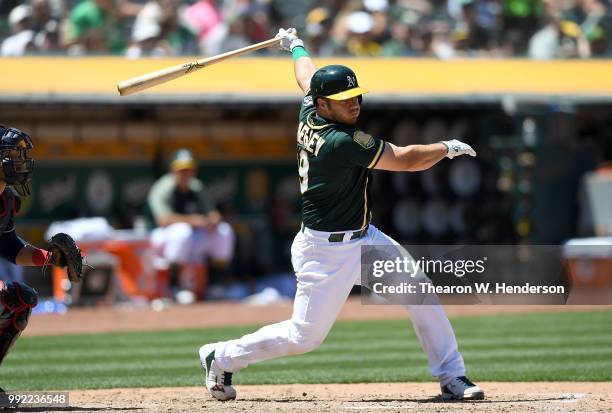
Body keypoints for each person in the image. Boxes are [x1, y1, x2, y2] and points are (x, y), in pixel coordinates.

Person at [198, 28, 484, 402]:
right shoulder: (340, 142)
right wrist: (444, 148)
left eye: (355, 95)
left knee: (420, 292)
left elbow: (305, 74)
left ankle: (452, 377)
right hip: (325, 252)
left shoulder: (308, 107)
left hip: (365, 238)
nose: (353, 104)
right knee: (304, 337)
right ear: (323, 105)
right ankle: (221, 356)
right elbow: (406, 159)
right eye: (342, 99)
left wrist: (295, 45)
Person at [0, 125, 78, 392]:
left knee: (22, 299)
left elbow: (9, 246)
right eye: (13, 154)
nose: (20, 161)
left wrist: (51, 258)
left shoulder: (6, 199)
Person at [147, 148, 235, 302]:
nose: (185, 173)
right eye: (181, 169)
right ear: (173, 170)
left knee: (224, 232)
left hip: (190, 237)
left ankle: (216, 287)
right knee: (182, 232)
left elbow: (213, 214)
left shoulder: (196, 187)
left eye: (188, 169)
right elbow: (163, 220)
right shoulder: (163, 188)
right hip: (159, 239)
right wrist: (195, 220)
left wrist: (213, 220)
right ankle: (173, 287)